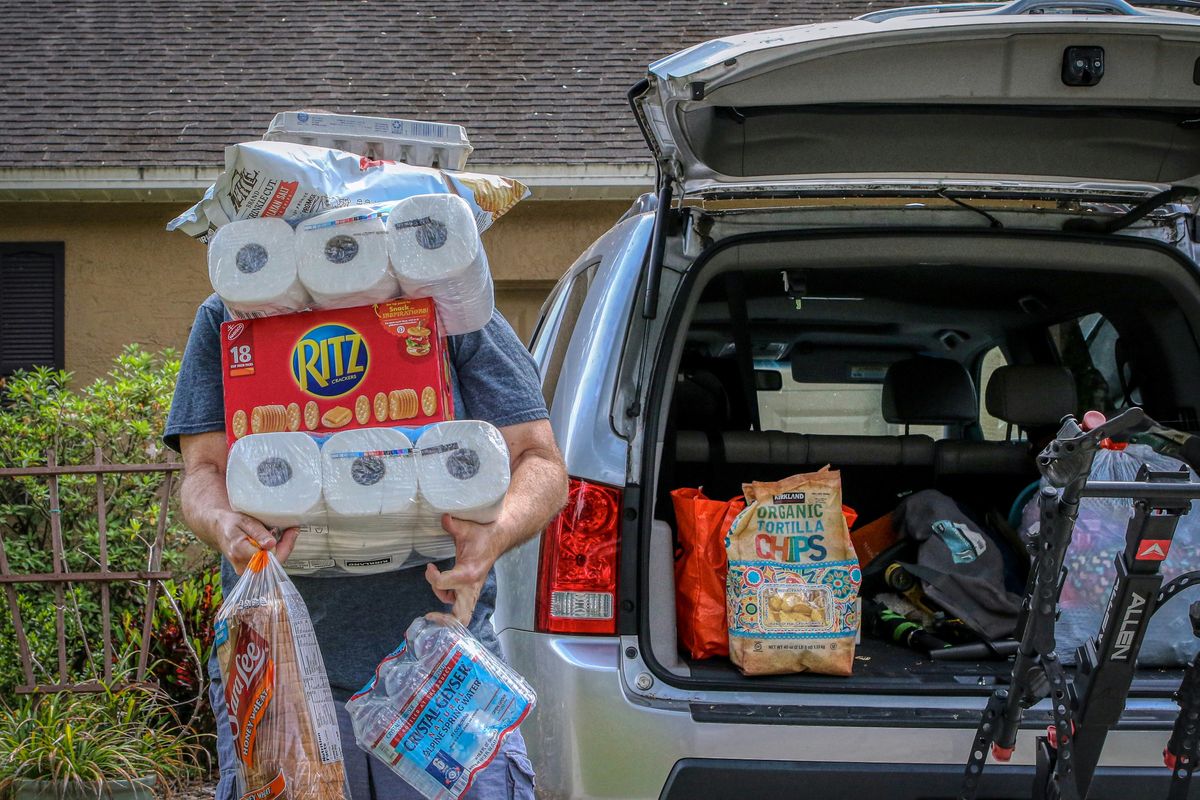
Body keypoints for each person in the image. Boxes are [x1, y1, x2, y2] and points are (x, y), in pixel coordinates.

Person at [163, 293, 568, 800]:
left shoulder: (441, 288)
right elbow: (204, 470)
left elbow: (540, 460)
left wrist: (496, 532)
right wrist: (224, 524)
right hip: (279, 671)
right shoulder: (233, 310)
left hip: (439, 668)